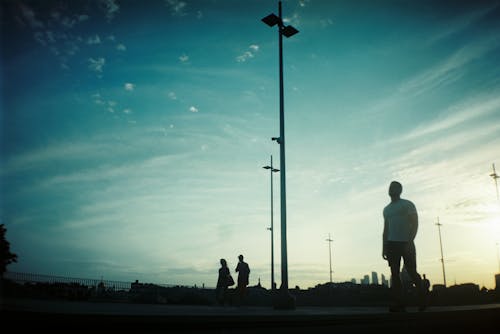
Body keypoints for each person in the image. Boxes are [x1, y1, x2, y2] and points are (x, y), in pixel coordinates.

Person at [382, 181, 426, 312]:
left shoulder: (407, 204)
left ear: (400, 190)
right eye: (390, 187)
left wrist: (410, 241)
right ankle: (399, 303)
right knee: (395, 274)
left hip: (406, 243)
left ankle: (423, 300)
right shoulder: (386, 209)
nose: (391, 189)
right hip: (391, 245)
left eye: (394, 187)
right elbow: (385, 229)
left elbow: (415, 223)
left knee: (412, 272)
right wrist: (384, 247)